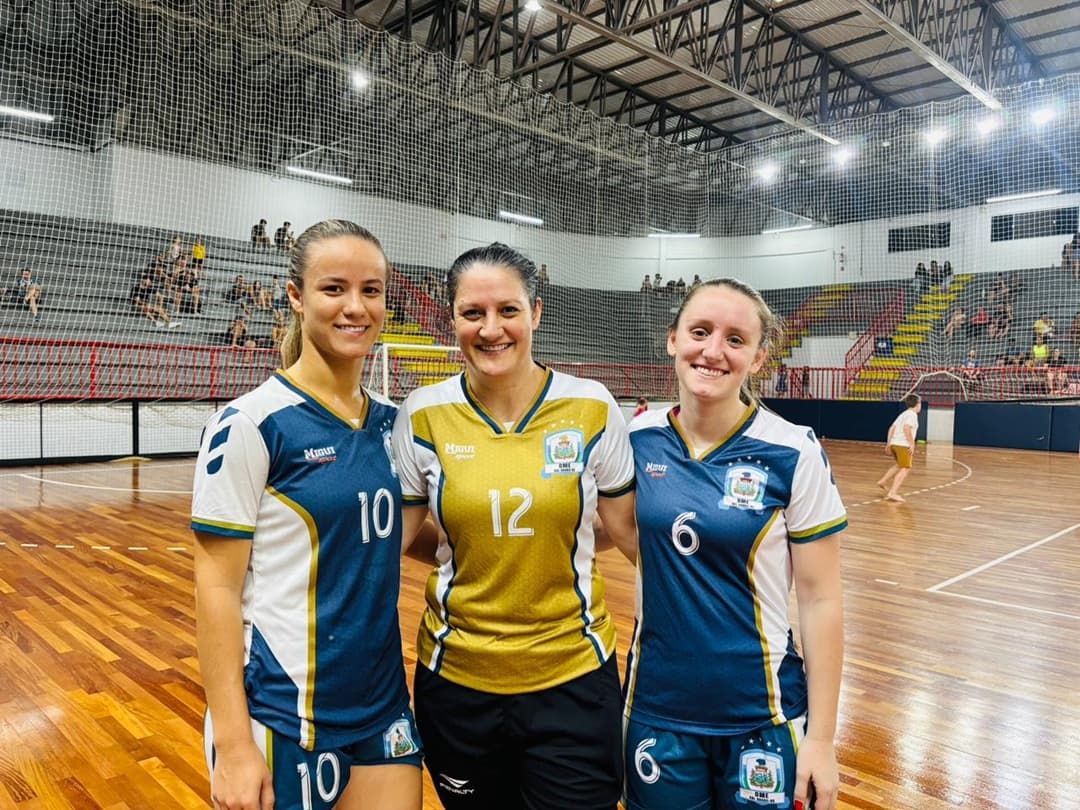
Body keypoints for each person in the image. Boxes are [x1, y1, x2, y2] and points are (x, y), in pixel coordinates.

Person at [392, 242, 637, 810]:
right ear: (449, 318)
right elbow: (398, 540)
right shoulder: (422, 414)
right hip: (457, 682)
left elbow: (626, 532)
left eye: (508, 310)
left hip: (573, 676)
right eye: (471, 313)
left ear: (537, 313)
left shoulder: (593, 407)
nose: (490, 328)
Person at [191, 219, 423, 810]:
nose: (355, 307)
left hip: (382, 708)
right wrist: (236, 745)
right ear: (296, 296)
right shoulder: (251, 423)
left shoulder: (395, 426)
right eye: (333, 288)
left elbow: (400, 531)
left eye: (371, 290)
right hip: (283, 714)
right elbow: (215, 588)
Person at [622, 278, 846, 810]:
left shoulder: (793, 452)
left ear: (758, 356)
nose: (713, 350)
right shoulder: (634, 439)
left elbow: (821, 600)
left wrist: (821, 739)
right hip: (656, 708)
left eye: (735, 339)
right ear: (673, 339)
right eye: (700, 332)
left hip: (762, 713)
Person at [876, 393, 922, 503]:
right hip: (903, 444)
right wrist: (912, 444)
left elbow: (891, 428)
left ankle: (882, 481)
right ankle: (893, 492)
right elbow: (907, 428)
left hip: (894, 444)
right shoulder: (912, 415)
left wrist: (888, 443)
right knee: (906, 468)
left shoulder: (903, 414)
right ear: (917, 404)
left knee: (899, 465)